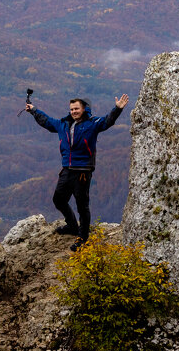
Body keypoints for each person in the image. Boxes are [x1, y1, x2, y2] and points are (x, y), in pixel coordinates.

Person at [27, 94, 129, 241]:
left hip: (83, 171)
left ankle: (83, 238)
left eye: (76, 108)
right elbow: (47, 122)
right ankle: (72, 226)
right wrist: (34, 110)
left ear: (84, 109)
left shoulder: (92, 124)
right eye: (72, 109)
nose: (74, 111)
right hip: (67, 169)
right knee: (59, 199)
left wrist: (117, 109)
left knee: (82, 206)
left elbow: (107, 121)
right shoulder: (63, 124)